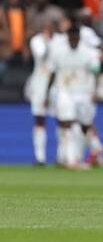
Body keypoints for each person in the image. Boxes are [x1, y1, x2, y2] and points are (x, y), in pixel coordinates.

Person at [44, 24, 100, 169]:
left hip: (83, 93)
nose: (74, 41)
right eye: (72, 38)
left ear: (79, 38)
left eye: (76, 38)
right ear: (68, 38)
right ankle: (70, 159)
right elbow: (52, 74)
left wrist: (95, 91)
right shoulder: (58, 52)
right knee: (66, 123)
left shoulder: (89, 52)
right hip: (64, 91)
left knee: (85, 126)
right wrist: (47, 94)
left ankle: (85, 153)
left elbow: (95, 72)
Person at [28, 21, 55, 165]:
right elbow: (41, 56)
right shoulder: (37, 41)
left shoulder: (60, 41)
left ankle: (64, 157)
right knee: (39, 119)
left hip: (58, 84)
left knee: (64, 120)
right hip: (40, 83)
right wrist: (48, 42)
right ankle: (40, 158)